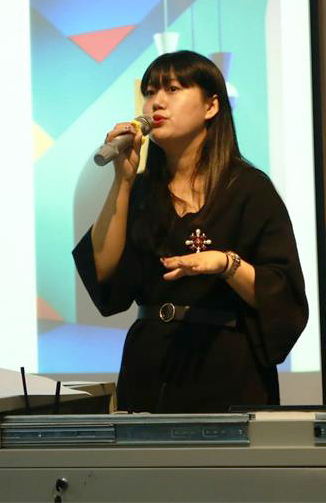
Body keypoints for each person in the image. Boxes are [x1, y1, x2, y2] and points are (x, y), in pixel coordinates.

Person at [72, 50, 308, 413]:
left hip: (228, 367)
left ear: (211, 106)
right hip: (150, 367)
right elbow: (104, 272)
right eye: (150, 92)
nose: (156, 102)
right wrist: (123, 180)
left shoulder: (249, 189)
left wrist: (226, 265)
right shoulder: (141, 190)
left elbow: (283, 294)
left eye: (172, 89)